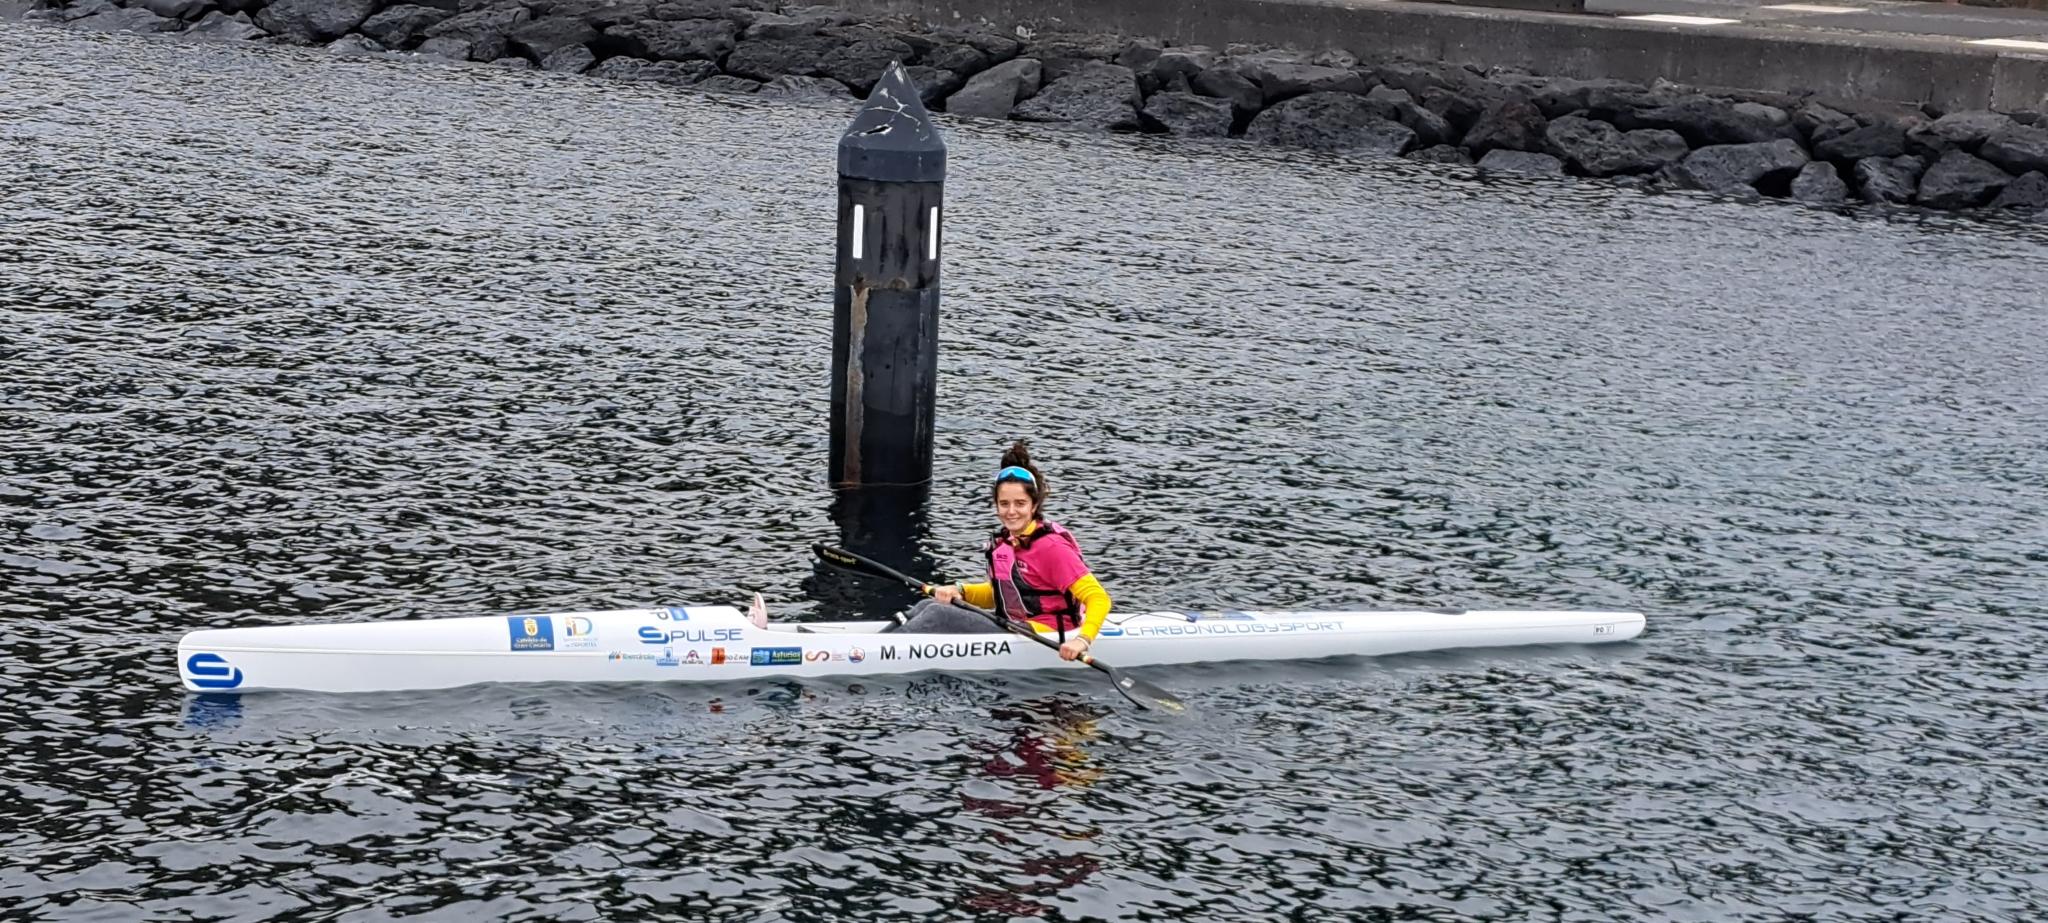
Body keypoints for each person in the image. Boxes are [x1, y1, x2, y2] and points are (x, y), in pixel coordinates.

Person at [897, 441, 1112, 661]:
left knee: (937, 614)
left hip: (1045, 634)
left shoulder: (1052, 547)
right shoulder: (1006, 543)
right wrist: (960, 590)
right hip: (1013, 626)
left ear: (1034, 506)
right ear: (996, 505)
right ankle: (876, 642)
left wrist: (1082, 639)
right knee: (929, 604)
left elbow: (1098, 597)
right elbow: (1000, 595)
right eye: (1004, 504)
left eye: (1020, 503)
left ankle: (875, 654)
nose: (1011, 512)